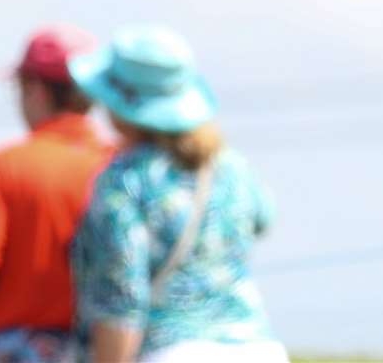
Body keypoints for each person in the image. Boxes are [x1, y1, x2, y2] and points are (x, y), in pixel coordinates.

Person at [68, 27, 286, 363]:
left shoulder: (124, 181)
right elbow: (263, 218)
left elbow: (121, 300)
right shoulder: (231, 167)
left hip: (171, 351)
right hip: (257, 349)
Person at [0, 26, 114, 363]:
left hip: (18, 348)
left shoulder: (2, 167)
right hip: (103, 346)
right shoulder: (120, 166)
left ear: (38, 90)